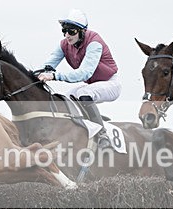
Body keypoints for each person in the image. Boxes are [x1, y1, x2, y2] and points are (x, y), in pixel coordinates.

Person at [36, 9, 121, 148]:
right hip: (92, 85)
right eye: (64, 31)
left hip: (110, 84)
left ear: (82, 31)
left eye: (71, 31)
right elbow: (48, 65)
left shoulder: (94, 42)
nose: (67, 35)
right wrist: (32, 75)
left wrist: (54, 76)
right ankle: (83, 125)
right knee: (65, 98)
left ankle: (102, 134)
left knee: (83, 94)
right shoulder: (64, 44)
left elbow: (84, 74)